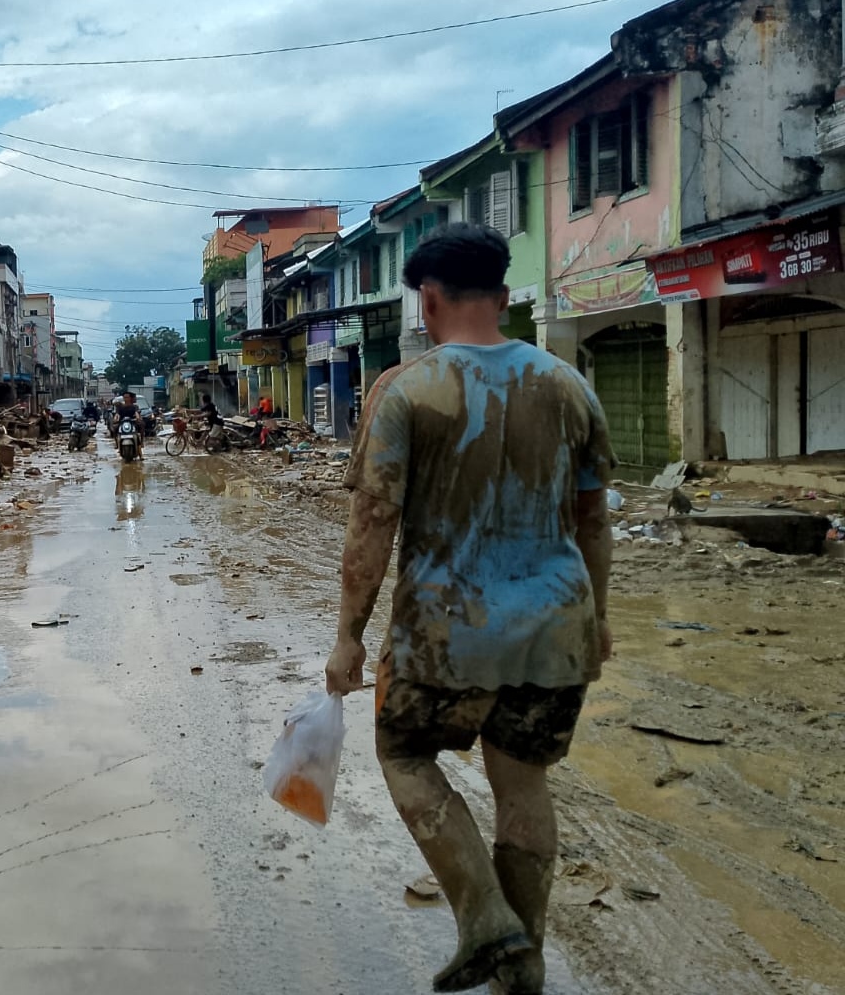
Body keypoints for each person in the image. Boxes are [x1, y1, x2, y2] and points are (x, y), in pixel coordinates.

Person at [326, 222, 615, 994]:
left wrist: (349, 636)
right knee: (524, 786)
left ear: (427, 301)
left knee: (404, 755)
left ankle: (484, 916)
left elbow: (372, 524)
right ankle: (522, 966)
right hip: (556, 627)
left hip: (442, 635)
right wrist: (602, 617)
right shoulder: (569, 384)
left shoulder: (406, 390)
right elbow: (593, 519)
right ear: (506, 294)